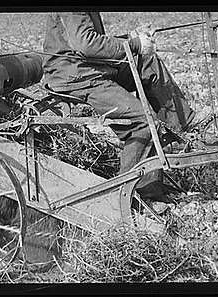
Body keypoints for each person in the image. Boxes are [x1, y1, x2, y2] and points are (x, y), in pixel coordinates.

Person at [42, 12, 195, 202]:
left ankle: (183, 133)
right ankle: (136, 194)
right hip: (74, 76)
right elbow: (86, 44)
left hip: (90, 66)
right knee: (143, 122)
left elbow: (90, 43)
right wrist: (135, 45)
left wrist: (132, 37)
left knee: (148, 63)